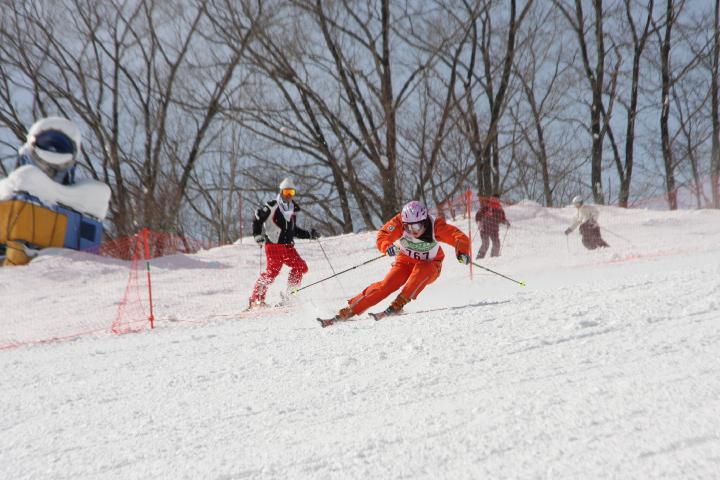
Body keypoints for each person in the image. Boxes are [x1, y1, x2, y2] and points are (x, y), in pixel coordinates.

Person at [332, 200, 471, 320]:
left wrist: (462, 252)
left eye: (416, 227)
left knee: (422, 268)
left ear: (424, 221)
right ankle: (352, 308)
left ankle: (399, 303)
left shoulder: (435, 225)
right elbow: (383, 235)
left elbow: (457, 236)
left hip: (430, 265)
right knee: (388, 284)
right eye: (408, 227)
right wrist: (387, 247)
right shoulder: (399, 222)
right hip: (405, 261)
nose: (412, 231)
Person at [248, 178, 319, 308]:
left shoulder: (291, 209)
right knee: (271, 273)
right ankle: (256, 301)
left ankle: (291, 296)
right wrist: (257, 234)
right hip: (274, 246)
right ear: (281, 192)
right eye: (286, 192)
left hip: (287, 247)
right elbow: (257, 218)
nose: (288, 195)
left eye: (291, 193)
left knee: (301, 267)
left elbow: (293, 230)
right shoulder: (272, 206)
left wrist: (309, 234)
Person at [475, 193, 510, 259]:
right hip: (485, 228)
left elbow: (502, 218)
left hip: (494, 230)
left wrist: (506, 222)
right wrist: (479, 221)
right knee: (486, 244)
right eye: (493, 199)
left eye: (496, 199)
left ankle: (493, 259)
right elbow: (478, 214)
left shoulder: (500, 209)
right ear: (491, 199)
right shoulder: (486, 207)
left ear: (498, 200)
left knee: (496, 244)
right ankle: (479, 258)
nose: (494, 200)